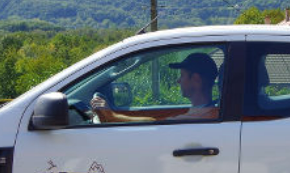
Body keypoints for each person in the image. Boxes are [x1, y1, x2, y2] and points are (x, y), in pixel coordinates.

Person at [90, 52, 219, 122]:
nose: (178, 81)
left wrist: (111, 116)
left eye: (182, 75)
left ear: (196, 79)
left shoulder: (201, 117)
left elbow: (152, 123)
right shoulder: (207, 112)